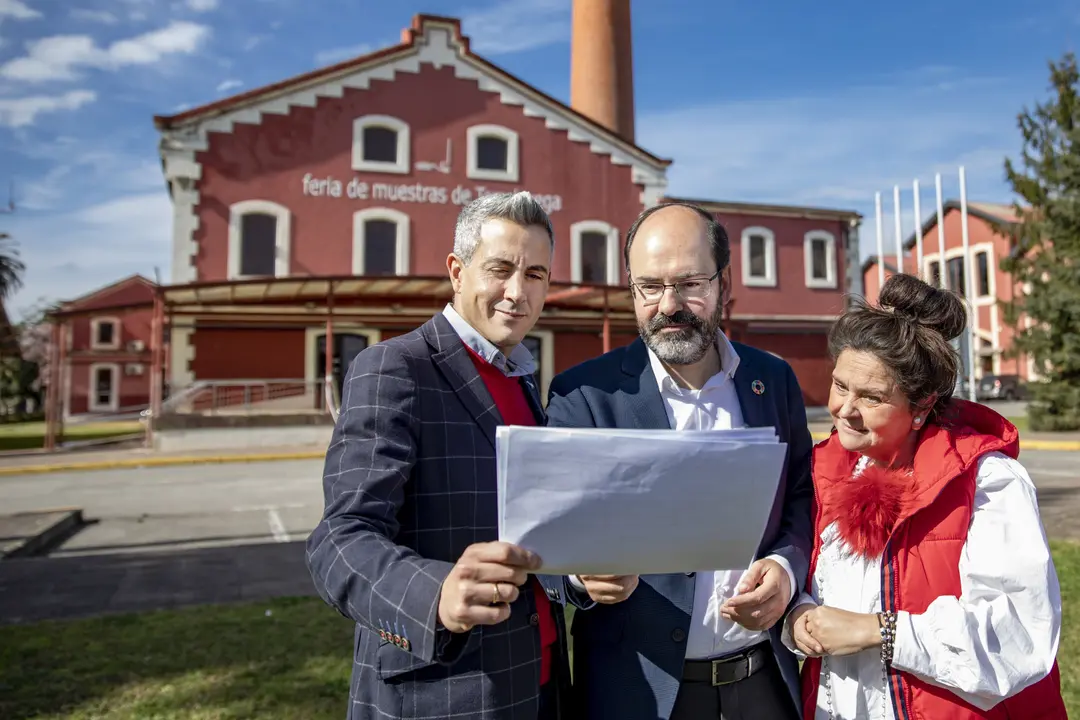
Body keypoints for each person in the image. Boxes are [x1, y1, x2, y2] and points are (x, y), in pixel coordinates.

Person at [306, 191, 573, 720]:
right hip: (441, 692)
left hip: (540, 681)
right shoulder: (395, 367)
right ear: (457, 271)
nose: (517, 293)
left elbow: (532, 535)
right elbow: (339, 540)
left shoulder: (525, 385)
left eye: (536, 274)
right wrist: (435, 593)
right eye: (500, 269)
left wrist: (580, 576)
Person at [545, 202, 813, 720]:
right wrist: (581, 578)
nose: (669, 305)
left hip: (764, 686)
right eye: (649, 286)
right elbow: (546, 532)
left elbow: (802, 494)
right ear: (631, 290)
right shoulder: (584, 395)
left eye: (689, 282)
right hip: (639, 696)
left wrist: (786, 567)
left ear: (723, 283)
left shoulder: (773, 380)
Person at [785, 273, 1067, 719]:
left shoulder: (988, 482)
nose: (843, 410)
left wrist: (877, 631)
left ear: (920, 406)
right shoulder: (824, 471)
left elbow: (1019, 633)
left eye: (871, 397)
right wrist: (798, 612)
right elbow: (805, 572)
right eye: (840, 386)